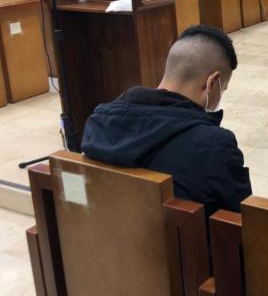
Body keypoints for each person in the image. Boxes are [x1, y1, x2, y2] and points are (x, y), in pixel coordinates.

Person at [82, 25, 251, 217]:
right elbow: (244, 221)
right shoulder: (214, 146)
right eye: (223, 89)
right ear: (212, 83)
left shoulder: (99, 122)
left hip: (103, 233)